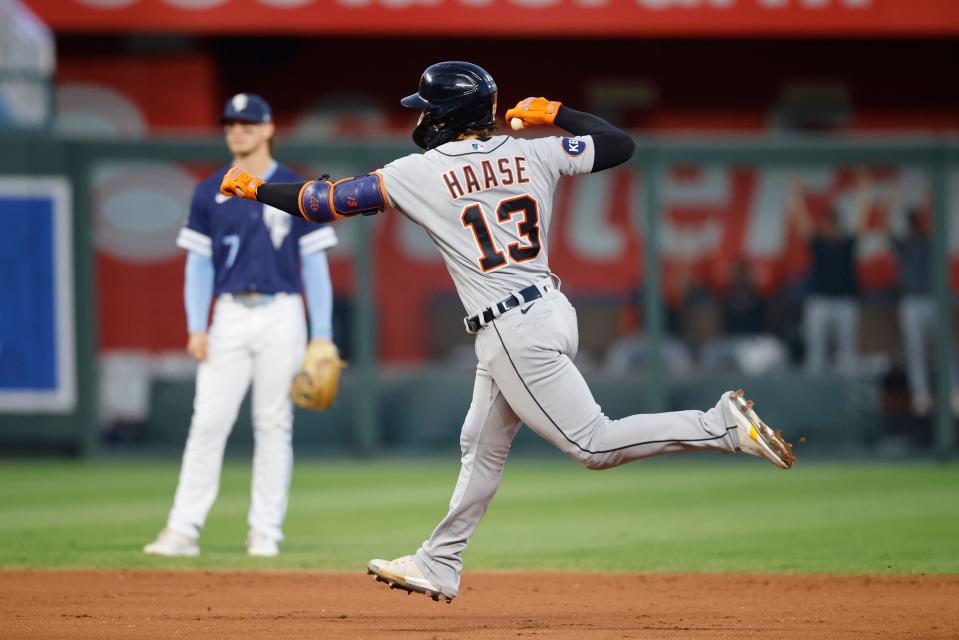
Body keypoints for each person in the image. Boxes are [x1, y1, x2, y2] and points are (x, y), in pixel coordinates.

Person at [220, 62, 794, 601]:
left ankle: (718, 424)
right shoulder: (533, 153)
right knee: (481, 443)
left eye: (427, 108)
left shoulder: (418, 171)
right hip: (545, 309)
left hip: (512, 329)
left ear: (446, 116)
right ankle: (439, 562)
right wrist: (559, 112)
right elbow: (620, 144)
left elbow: (319, 202)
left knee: (592, 443)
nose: (420, 117)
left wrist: (251, 187)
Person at [144, 93, 339, 558]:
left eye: (248, 123)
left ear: (269, 129)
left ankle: (264, 533)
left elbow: (315, 267)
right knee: (208, 422)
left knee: (273, 423)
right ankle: (183, 530)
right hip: (229, 313)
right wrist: (197, 324)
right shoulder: (208, 188)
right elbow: (198, 265)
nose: (238, 130)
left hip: (282, 311)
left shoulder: (295, 186)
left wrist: (323, 335)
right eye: (232, 123)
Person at [880, 191, 959, 416]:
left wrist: (926, 192)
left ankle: (953, 392)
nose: (915, 224)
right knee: (915, 351)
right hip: (912, 301)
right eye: (912, 221)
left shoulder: (932, 241)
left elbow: (938, 218)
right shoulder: (903, 244)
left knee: (946, 348)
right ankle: (921, 396)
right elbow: (886, 230)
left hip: (936, 299)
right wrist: (895, 200)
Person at [788, 175, 870, 374]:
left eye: (834, 222)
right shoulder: (819, 243)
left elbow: (861, 217)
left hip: (845, 301)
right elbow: (802, 221)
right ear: (824, 224)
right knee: (815, 353)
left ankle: (846, 394)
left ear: (838, 224)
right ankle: (814, 393)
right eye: (828, 222)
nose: (831, 226)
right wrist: (795, 193)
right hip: (820, 301)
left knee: (848, 352)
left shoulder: (847, 243)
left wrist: (864, 190)